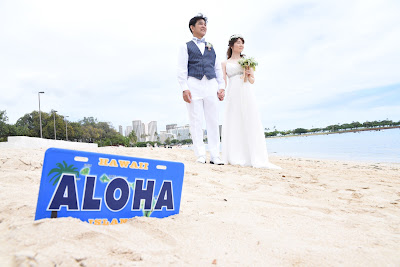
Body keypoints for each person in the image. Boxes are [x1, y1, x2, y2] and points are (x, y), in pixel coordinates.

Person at [221, 34, 281, 169]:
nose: (241, 45)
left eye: (242, 43)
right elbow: (223, 82)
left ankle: (251, 154)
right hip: (232, 92)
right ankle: (234, 154)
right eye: (238, 42)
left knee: (249, 119)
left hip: (245, 91)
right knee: (234, 120)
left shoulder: (247, 60)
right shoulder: (224, 63)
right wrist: (221, 91)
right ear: (231, 45)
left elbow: (252, 81)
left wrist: (248, 74)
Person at [177, 14, 225, 165]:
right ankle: (200, 155)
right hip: (193, 85)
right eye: (200, 24)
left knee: (213, 120)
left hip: (211, 84)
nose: (204, 26)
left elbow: (217, 68)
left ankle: (215, 155)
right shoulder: (185, 46)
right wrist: (184, 88)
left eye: (205, 24)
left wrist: (221, 86)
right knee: (196, 121)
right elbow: (181, 69)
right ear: (192, 27)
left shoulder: (211, 46)